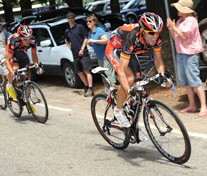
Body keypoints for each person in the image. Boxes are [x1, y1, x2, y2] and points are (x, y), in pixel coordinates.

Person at [105, 12, 171, 141]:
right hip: (115, 48)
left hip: (131, 51)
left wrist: (163, 75)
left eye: (158, 32)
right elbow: (122, 71)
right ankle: (118, 110)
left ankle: (133, 126)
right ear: (143, 31)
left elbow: (159, 61)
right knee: (129, 79)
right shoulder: (132, 38)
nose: (155, 36)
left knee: (138, 82)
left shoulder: (156, 39)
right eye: (151, 33)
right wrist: (129, 94)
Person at [166, 0, 207, 117]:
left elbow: (184, 36)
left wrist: (174, 28)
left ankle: (203, 106)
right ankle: (192, 105)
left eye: (179, 9)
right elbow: (176, 38)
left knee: (195, 80)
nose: (177, 11)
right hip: (181, 53)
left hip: (190, 54)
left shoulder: (192, 21)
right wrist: (171, 29)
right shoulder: (179, 21)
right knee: (185, 81)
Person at [5, 25, 42, 100]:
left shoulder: (33, 40)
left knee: (27, 69)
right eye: (25, 39)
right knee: (15, 68)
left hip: (22, 51)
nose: (28, 41)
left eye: (29, 38)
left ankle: (28, 96)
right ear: (20, 38)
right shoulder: (14, 41)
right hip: (13, 51)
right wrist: (13, 73)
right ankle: (9, 85)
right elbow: (7, 61)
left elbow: (34, 54)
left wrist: (36, 65)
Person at [64, 12, 94, 97]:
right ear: (67, 19)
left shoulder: (79, 27)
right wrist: (70, 48)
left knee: (86, 70)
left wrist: (82, 49)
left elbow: (85, 38)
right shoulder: (67, 30)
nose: (71, 19)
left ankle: (91, 89)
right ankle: (86, 86)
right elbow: (66, 40)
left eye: (72, 18)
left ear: (74, 18)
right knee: (79, 72)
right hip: (75, 54)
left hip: (83, 53)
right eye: (69, 18)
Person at [86, 14, 117, 86]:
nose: (88, 23)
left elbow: (105, 40)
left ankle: (114, 90)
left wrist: (93, 41)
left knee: (109, 74)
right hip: (99, 57)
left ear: (94, 22)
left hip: (106, 55)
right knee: (103, 75)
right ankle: (108, 94)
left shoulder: (99, 30)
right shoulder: (90, 33)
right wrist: (89, 43)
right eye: (87, 21)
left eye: (90, 21)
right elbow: (93, 44)